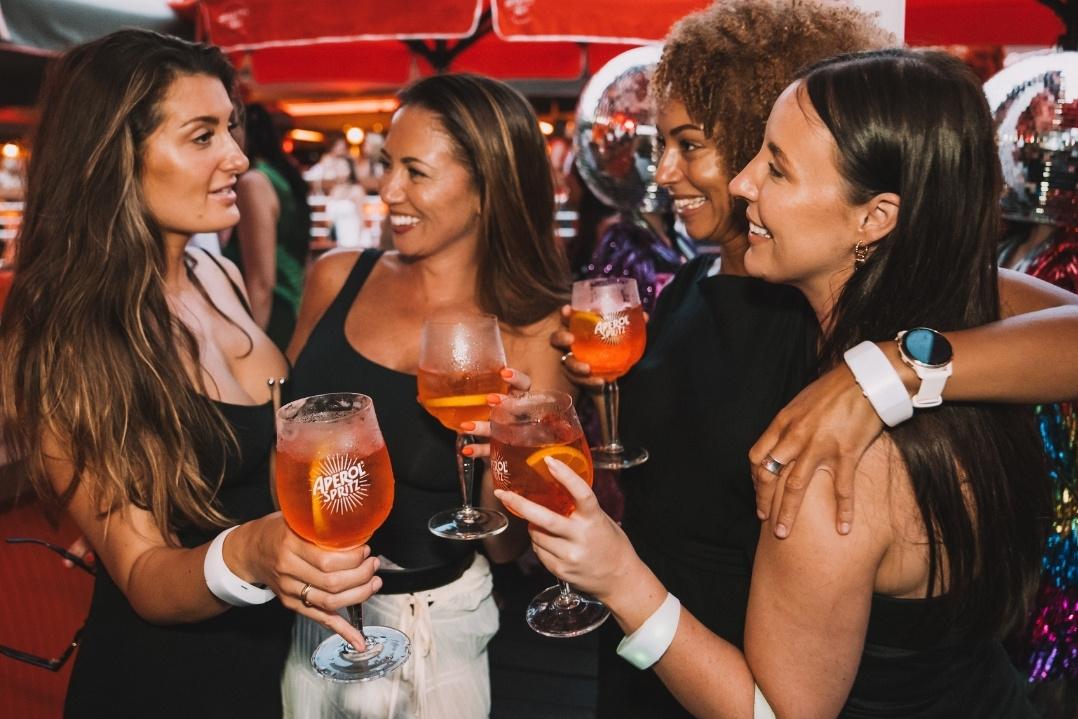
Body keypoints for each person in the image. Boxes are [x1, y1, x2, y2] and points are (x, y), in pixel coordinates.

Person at [542, 2, 1078, 715]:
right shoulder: (935, 319)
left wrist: (618, 577)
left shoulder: (834, 455)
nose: (741, 184)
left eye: (776, 167)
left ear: (874, 216)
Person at [0, 29, 380, 718]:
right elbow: (142, 571)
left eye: (230, 128)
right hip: (167, 682)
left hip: (277, 662)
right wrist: (251, 551)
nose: (238, 156)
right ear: (113, 156)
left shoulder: (216, 272)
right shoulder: (66, 333)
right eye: (202, 135)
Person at [281, 73, 572, 718]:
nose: (388, 192)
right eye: (388, 166)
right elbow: (280, 431)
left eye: (416, 171)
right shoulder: (337, 278)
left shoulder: (532, 332)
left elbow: (506, 547)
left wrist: (501, 452)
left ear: (486, 190)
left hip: (433, 628)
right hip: (314, 613)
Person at [221, 103, 310, 350]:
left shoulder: (253, 183)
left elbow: (261, 281)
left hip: (268, 315)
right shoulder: (281, 176)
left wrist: (252, 345)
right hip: (291, 305)